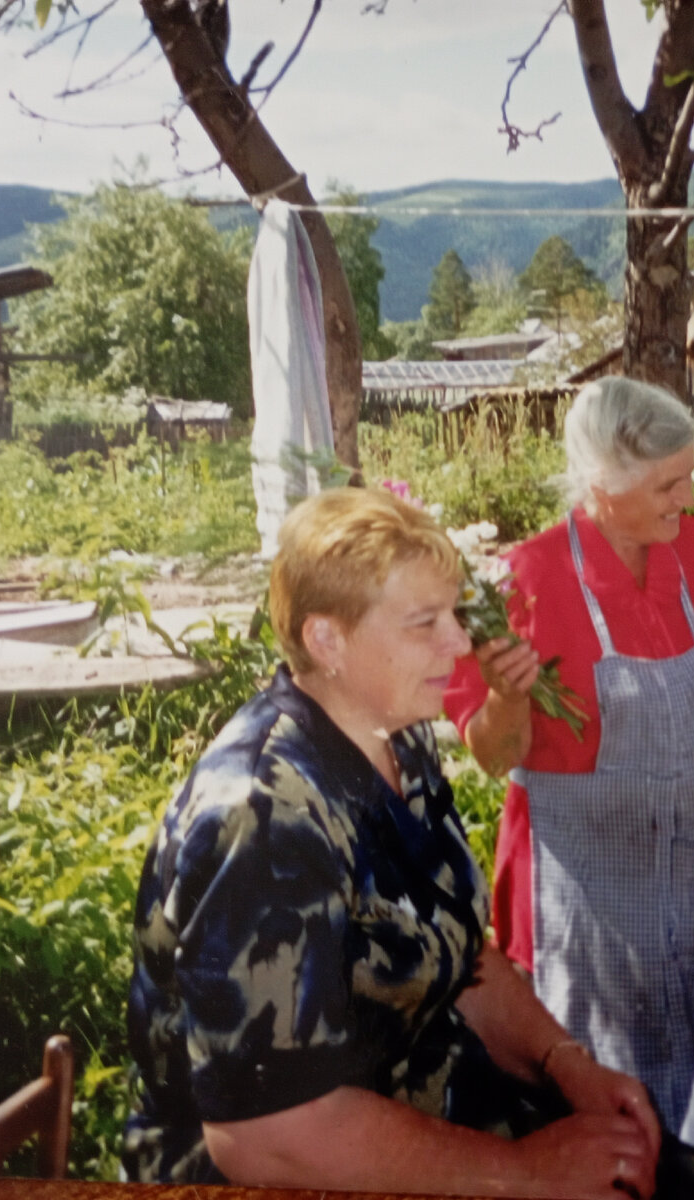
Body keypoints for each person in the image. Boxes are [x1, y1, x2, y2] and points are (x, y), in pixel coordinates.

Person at [123, 487, 661, 1197]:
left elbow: (456, 954)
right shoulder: (263, 818)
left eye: (453, 615)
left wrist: (564, 1063)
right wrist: (523, 1173)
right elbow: (266, 1137)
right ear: (327, 641)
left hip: (421, 1112)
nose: (461, 643)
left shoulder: (394, 735)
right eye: (424, 623)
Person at [444, 377, 694, 1132]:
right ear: (602, 485)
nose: (686, 497)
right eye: (668, 483)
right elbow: (496, 756)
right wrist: (507, 694)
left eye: (687, 475)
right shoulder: (523, 585)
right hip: (578, 911)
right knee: (595, 1120)